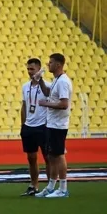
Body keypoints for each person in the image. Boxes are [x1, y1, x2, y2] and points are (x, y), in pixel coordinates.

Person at [36, 53, 72, 198]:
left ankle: (63, 188)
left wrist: (46, 104)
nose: (48, 64)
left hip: (59, 124)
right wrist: (40, 81)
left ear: (58, 64)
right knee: (52, 155)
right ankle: (51, 186)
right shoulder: (57, 80)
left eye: (50, 62)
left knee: (59, 154)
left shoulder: (63, 81)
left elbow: (64, 104)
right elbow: (47, 92)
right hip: (52, 123)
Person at [20, 58, 48, 196]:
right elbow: (24, 106)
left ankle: (51, 185)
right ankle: (34, 185)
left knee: (48, 157)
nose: (30, 72)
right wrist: (23, 124)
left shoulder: (47, 85)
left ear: (39, 69)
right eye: (28, 69)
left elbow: (49, 96)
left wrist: (40, 79)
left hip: (43, 125)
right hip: (29, 126)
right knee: (31, 158)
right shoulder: (25, 86)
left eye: (32, 69)